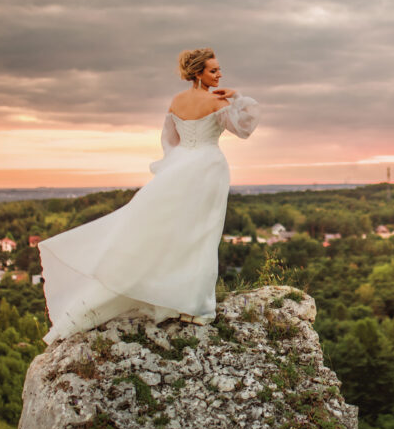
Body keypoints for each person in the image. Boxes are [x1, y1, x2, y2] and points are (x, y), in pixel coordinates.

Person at [38, 48, 260, 344]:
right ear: (197, 73)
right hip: (208, 167)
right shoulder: (217, 100)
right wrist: (238, 95)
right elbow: (244, 128)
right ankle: (195, 305)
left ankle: (172, 296)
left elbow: (170, 140)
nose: (219, 75)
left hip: (181, 166)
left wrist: (175, 164)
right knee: (201, 233)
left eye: (219, 70)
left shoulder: (177, 101)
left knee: (173, 233)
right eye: (213, 71)